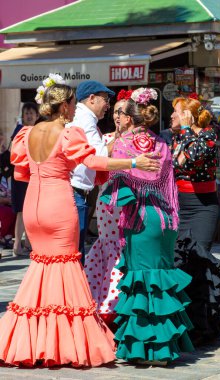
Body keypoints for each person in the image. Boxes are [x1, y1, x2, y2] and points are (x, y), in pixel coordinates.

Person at [0, 75, 159, 367]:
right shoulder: (67, 133)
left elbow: (20, 173)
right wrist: (133, 162)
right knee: (66, 271)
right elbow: (94, 162)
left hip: (33, 209)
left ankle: (32, 341)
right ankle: (64, 344)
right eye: (72, 104)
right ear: (63, 107)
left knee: (41, 272)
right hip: (59, 205)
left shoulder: (26, 134)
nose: (74, 110)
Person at [100, 88, 194, 365]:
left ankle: (148, 352)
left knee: (143, 284)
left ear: (130, 117)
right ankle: (163, 351)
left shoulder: (123, 145)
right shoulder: (160, 142)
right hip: (163, 215)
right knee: (161, 283)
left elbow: (115, 184)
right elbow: (168, 180)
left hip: (139, 216)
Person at [171, 96, 220, 345]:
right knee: (181, 262)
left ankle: (205, 325)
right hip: (182, 206)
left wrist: (186, 133)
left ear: (188, 116)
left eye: (176, 113)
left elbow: (193, 157)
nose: (171, 116)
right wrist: (183, 138)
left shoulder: (206, 136)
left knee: (200, 259)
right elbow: (175, 163)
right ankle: (185, 323)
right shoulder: (180, 137)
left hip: (203, 207)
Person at [84, 90, 133, 328]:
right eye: (115, 111)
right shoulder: (104, 139)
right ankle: (101, 302)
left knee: (124, 247)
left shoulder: (138, 140)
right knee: (107, 247)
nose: (117, 115)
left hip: (128, 203)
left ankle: (119, 305)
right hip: (106, 203)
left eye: (122, 111)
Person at [67, 80, 116, 265]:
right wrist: (120, 138)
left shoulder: (83, 117)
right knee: (76, 253)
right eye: (105, 99)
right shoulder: (85, 119)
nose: (108, 106)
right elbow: (100, 156)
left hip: (78, 190)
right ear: (92, 98)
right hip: (76, 191)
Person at [11, 102, 39, 256]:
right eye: (26, 113)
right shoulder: (19, 130)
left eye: (31, 113)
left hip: (31, 175)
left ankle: (28, 242)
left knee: (29, 210)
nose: (29, 116)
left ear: (37, 116)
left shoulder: (37, 130)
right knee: (21, 211)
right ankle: (17, 245)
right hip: (22, 176)